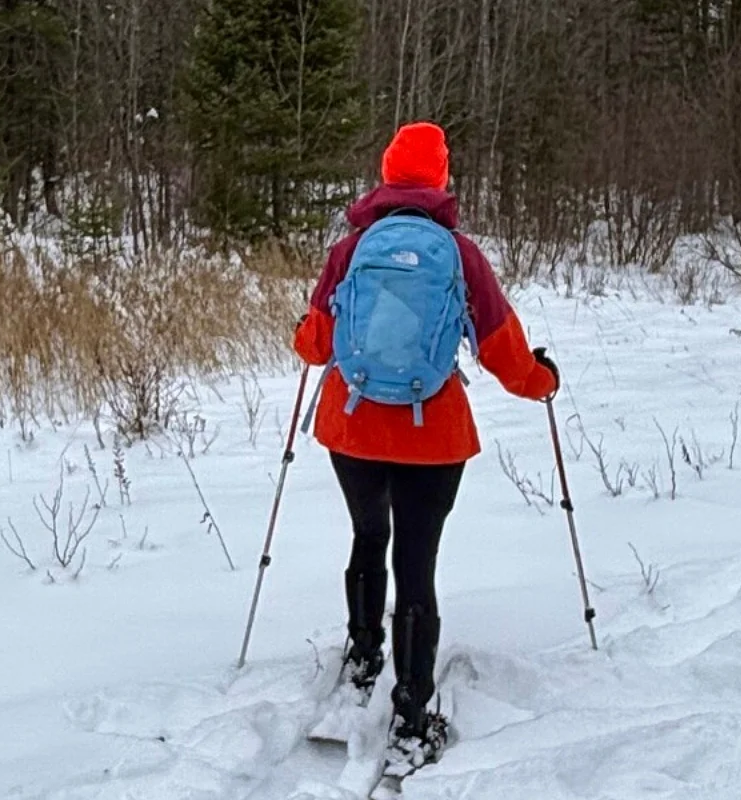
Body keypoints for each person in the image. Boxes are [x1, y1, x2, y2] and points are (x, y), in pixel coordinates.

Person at [293, 121, 560, 761]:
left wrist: (303, 328)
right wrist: (541, 381)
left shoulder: (350, 249)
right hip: (432, 439)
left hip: (352, 428)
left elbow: (315, 346)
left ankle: (363, 655)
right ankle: (411, 714)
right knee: (417, 564)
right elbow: (503, 352)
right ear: (442, 178)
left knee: (368, 534)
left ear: (386, 175)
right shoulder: (460, 254)